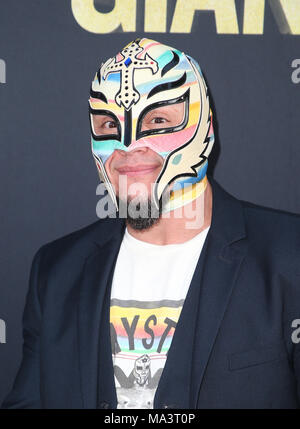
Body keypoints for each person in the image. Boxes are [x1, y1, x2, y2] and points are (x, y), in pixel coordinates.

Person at [2, 38, 300, 409]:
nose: (128, 147)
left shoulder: (290, 258)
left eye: (157, 120)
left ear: (206, 126)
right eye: (109, 124)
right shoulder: (56, 271)